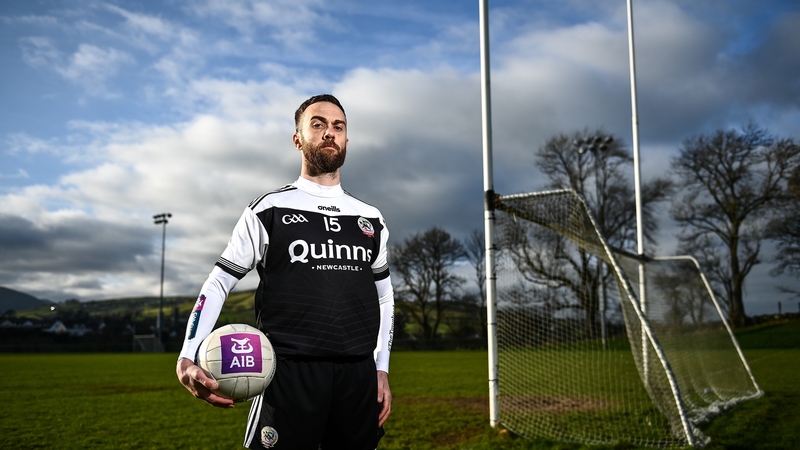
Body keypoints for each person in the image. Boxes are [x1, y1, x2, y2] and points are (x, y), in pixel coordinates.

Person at [176, 94, 394, 450]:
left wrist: (380, 368)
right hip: (288, 376)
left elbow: (384, 296)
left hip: (357, 379)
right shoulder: (268, 209)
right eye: (318, 124)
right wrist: (188, 353)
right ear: (298, 139)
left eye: (338, 126)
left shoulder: (370, 218)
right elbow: (219, 281)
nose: (329, 133)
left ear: (347, 141)